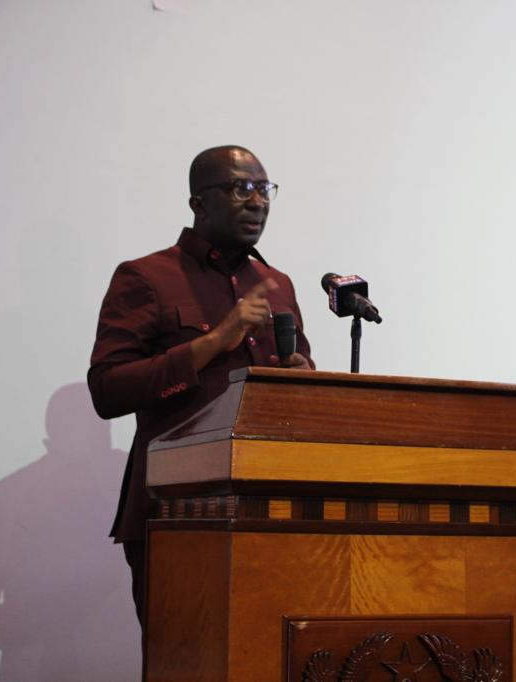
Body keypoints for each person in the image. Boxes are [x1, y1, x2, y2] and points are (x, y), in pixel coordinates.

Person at [88, 145, 314, 624]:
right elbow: (107, 390)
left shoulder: (278, 284)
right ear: (198, 203)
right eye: (241, 188)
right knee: (183, 652)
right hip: (176, 510)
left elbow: (303, 380)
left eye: (264, 189)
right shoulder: (146, 277)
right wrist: (213, 342)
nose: (258, 201)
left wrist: (302, 377)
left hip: (270, 507)